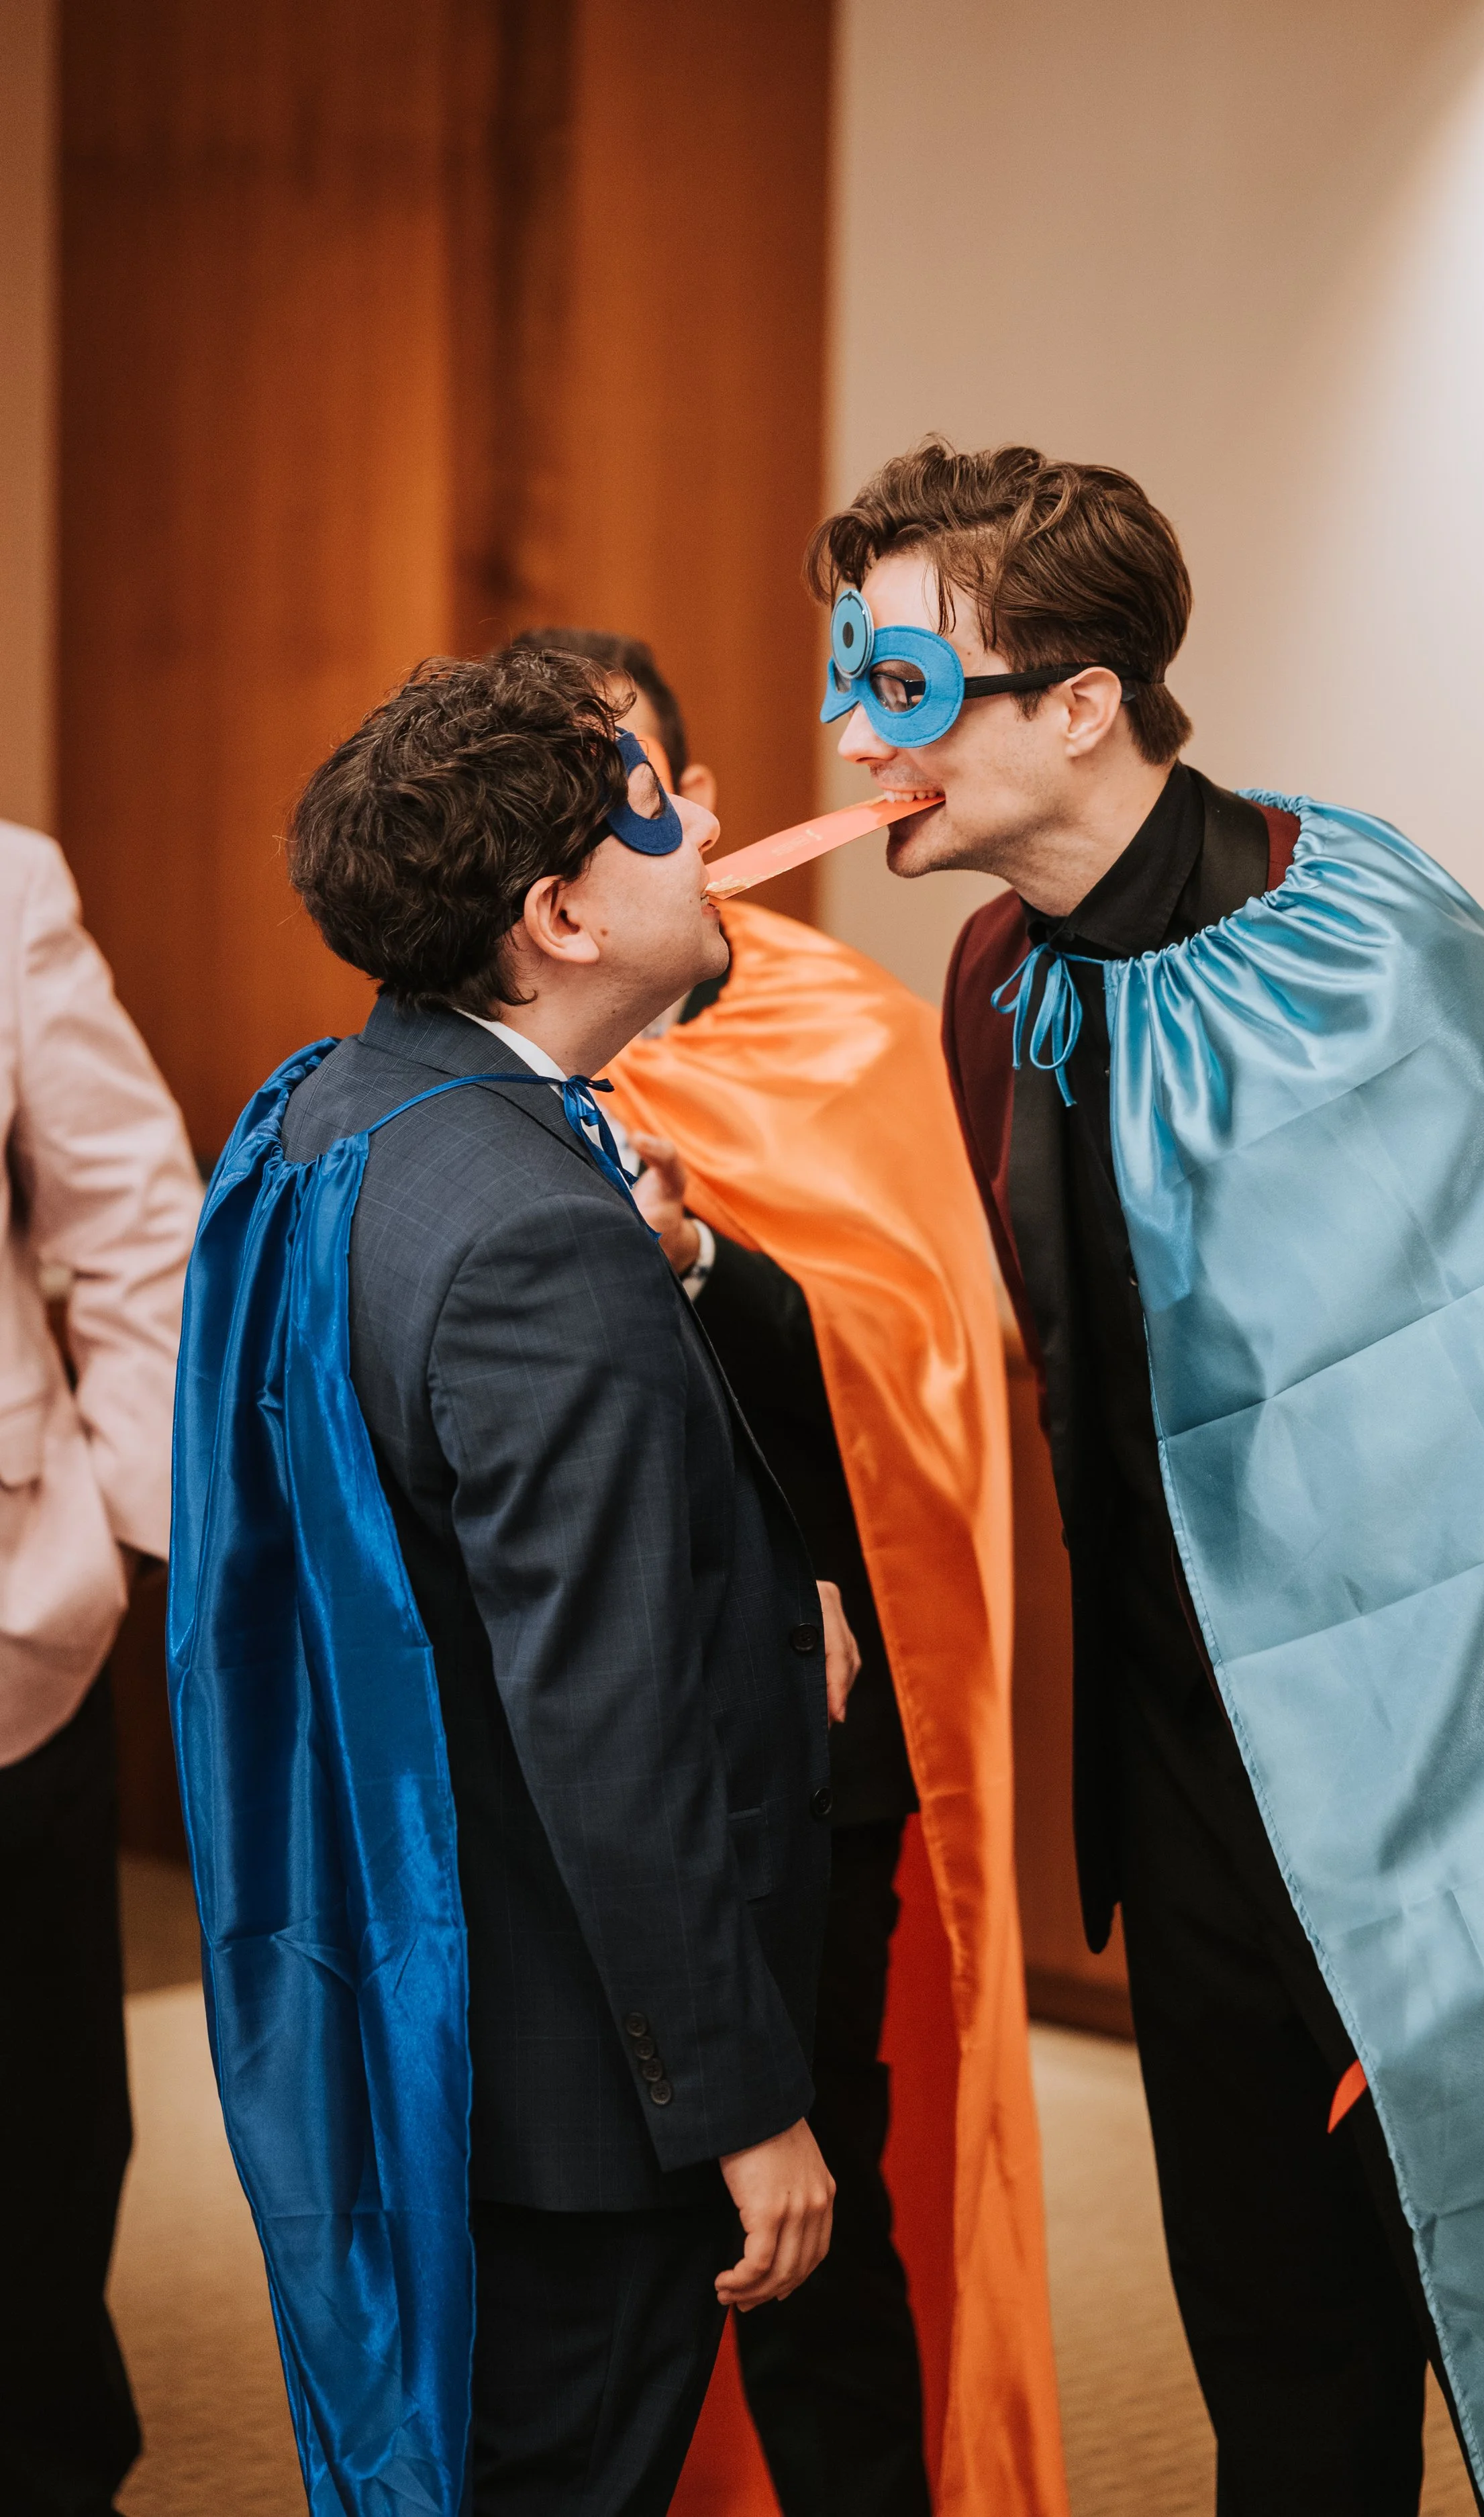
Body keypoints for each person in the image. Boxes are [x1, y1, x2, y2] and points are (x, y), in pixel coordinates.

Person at [806, 439, 1484, 2517]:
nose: (851, 740)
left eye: (901, 689)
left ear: (1078, 703)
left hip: (1448, 1810)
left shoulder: (1365, 936)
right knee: (1283, 2380)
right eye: (847, 681)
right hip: (1188, 1787)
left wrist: (1466, 1882)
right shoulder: (995, 975)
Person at [167, 649, 849, 2517]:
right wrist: (742, 2104)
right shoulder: (539, 1233)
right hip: (574, 2085)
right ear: (559, 916)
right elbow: (608, 1720)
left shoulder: (336, 1115)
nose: (699, 821)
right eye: (654, 807)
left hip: (435, 1990)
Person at [495, 628, 1067, 2517]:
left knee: (823, 2189)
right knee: (574, 2214)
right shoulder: (481, 1064)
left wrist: (692, 1259)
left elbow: (912, 1374)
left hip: (808, 1729)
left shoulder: (843, 1031)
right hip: (566, 1723)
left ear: (701, 803)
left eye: (629, 782)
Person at [0, 821, 201, 2517]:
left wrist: (126, 1534)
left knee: (36, 2131)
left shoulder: (7, 889)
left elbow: (140, 1223)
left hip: (10, 1634)